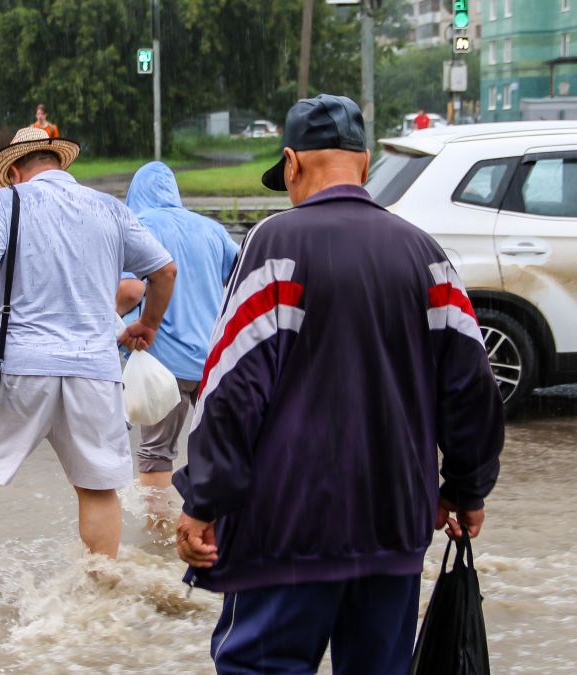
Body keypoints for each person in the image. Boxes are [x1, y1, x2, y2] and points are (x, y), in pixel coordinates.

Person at [172, 94, 504, 673]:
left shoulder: (274, 246)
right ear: (367, 162)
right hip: (395, 525)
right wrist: (466, 486)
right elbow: (474, 387)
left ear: (293, 164)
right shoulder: (427, 257)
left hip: (286, 529)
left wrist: (205, 498)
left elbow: (231, 389)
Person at [0, 126, 177, 588]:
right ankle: (101, 592)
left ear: (15, 171)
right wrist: (148, 324)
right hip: (96, 371)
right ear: (60, 164)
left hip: (22, 365)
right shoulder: (110, 209)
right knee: (97, 488)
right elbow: (164, 270)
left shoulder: (7, 201)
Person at [118, 162, 239, 518]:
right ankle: (217, 527)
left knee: (157, 453)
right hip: (213, 362)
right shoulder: (211, 229)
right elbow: (241, 276)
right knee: (220, 447)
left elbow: (130, 288)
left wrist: (108, 318)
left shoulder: (140, 227)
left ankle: (161, 541)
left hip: (161, 363)